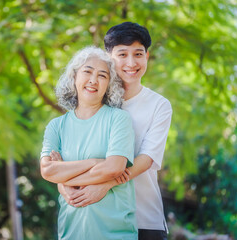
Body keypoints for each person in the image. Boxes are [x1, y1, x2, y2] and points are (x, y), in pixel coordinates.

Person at [58, 22, 173, 240]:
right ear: (109, 57)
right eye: (122, 54)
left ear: (147, 57)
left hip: (143, 218)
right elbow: (68, 159)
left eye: (138, 54)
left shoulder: (159, 105)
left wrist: (105, 185)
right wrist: (63, 186)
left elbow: (147, 158)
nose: (131, 62)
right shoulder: (92, 102)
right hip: (97, 216)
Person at [40, 46, 138, 240]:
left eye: (102, 75)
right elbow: (48, 171)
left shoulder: (118, 119)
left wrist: (64, 179)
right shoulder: (56, 126)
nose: (93, 80)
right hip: (71, 233)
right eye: (87, 71)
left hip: (116, 234)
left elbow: (114, 168)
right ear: (74, 77)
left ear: (109, 85)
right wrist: (94, 162)